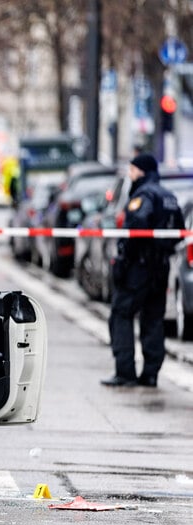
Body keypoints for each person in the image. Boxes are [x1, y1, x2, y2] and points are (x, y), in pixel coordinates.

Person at [102, 153, 180, 388]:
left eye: (133, 170)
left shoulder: (143, 195)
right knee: (153, 318)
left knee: (121, 314)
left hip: (139, 268)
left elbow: (138, 225)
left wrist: (127, 257)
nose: (130, 174)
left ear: (143, 171)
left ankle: (125, 373)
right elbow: (179, 231)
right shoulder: (169, 196)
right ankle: (151, 374)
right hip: (160, 268)